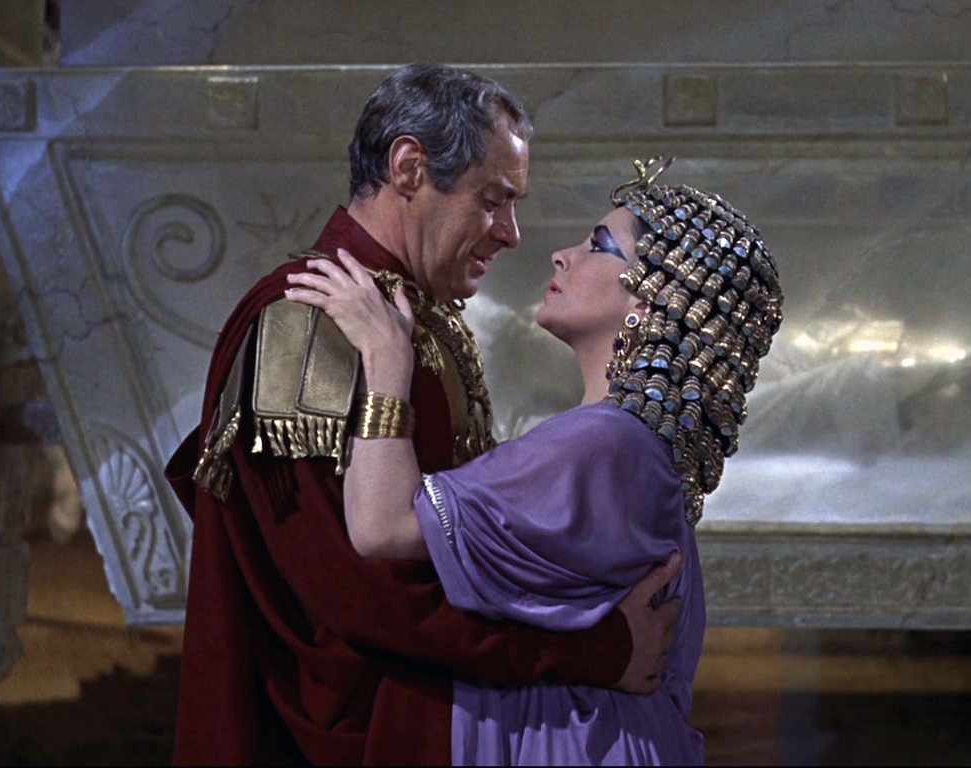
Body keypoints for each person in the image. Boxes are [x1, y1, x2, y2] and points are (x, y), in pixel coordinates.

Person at [164, 65, 682, 765]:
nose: (512, 234)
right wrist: (590, 651)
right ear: (408, 167)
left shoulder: (414, 315)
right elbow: (359, 592)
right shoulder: (307, 323)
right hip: (377, 734)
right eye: (493, 201)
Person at [284, 156, 785, 764]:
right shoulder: (635, 448)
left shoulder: (603, 442)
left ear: (656, 300)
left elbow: (381, 527)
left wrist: (387, 360)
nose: (562, 255)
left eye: (599, 246)